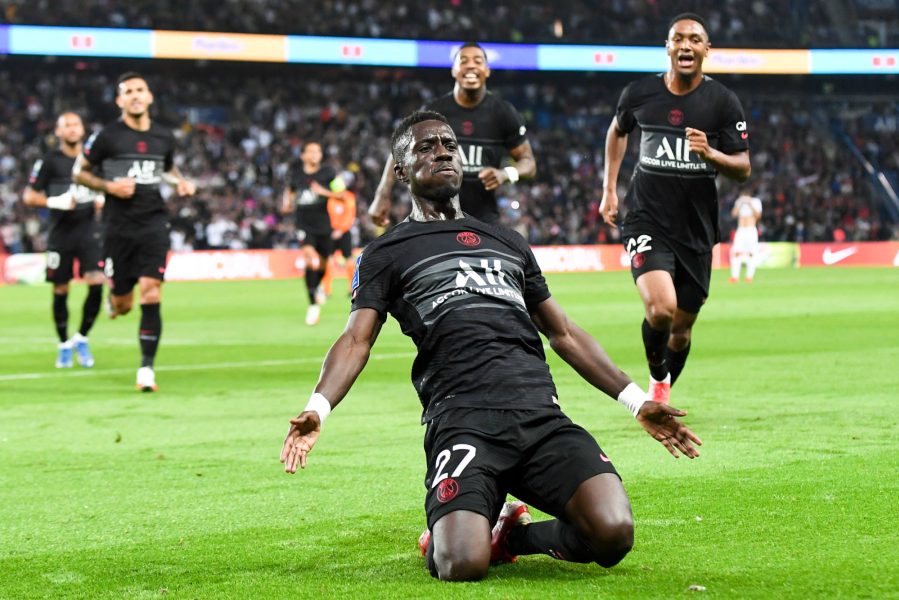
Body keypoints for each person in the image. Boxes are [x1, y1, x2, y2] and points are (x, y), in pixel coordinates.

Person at [281, 111, 702, 582]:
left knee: (613, 532)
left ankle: (510, 537)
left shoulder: (507, 242)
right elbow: (356, 339)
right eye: (425, 146)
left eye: (448, 143)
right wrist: (318, 406)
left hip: (540, 417)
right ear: (399, 170)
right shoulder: (387, 253)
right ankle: (459, 530)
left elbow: (562, 332)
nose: (442, 151)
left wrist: (636, 401)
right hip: (463, 422)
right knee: (461, 564)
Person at [600, 13, 751, 403]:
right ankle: (657, 377)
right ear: (668, 47)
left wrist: (710, 152)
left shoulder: (722, 102)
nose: (686, 46)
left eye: (695, 40)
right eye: (678, 39)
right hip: (646, 219)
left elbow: (743, 168)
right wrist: (610, 190)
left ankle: (661, 391)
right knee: (661, 310)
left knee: (681, 330)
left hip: (696, 230)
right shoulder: (639, 94)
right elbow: (618, 131)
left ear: (706, 50)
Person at [74, 72, 196, 392]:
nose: (135, 95)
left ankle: (146, 370)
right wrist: (108, 186)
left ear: (150, 96)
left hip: (154, 222)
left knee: (151, 290)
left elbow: (166, 169)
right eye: (128, 91)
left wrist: (179, 182)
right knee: (124, 303)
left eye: (140, 90)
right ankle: (114, 301)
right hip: (117, 227)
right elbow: (80, 172)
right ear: (120, 101)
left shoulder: (163, 137)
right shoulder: (106, 137)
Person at [368, 42, 536, 226]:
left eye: (478, 61)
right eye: (463, 61)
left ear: (486, 71)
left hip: (483, 221)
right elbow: (398, 152)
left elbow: (529, 164)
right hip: (434, 218)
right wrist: (382, 194)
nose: (471, 65)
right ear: (454, 70)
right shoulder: (435, 111)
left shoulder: (503, 113)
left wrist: (505, 174)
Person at [23, 112, 105, 369]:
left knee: (96, 283)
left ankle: (81, 337)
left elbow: (106, 188)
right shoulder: (49, 162)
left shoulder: (93, 162)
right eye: (66, 125)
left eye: (75, 124)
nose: (72, 129)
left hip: (89, 231)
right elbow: (29, 196)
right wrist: (53, 201)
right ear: (57, 132)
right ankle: (63, 343)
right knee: (61, 290)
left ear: (82, 129)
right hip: (60, 234)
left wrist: (103, 199)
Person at [281, 142, 346, 325]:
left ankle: (316, 287)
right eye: (311, 151)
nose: (315, 154)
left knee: (324, 262)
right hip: (303, 224)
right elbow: (290, 190)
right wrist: (287, 202)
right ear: (302, 155)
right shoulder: (295, 172)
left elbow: (342, 194)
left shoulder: (329, 172)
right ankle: (312, 305)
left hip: (323, 224)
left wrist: (322, 191)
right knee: (311, 259)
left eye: (318, 150)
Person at [321, 184, 357, 298]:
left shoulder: (349, 197)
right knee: (328, 260)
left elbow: (350, 216)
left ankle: (352, 288)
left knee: (349, 260)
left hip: (344, 232)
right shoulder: (331, 199)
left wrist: (340, 230)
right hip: (331, 232)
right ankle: (326, 290)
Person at [729, 190, 763, 283]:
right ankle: (734, 277)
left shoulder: (756, 201)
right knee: (736, 253)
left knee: (751, 253)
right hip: (741, 230)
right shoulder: (739, 201)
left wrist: (750, 203)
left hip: (751, 230)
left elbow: (758, 216)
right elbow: (734, 214)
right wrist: (740, 203)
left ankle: (749, 277)